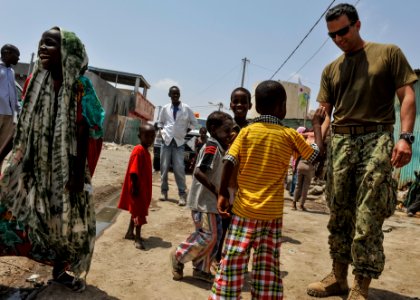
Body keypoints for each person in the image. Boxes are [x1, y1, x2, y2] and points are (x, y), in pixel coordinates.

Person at [306, 3, 417, 299]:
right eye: (332, 35)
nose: (338, 38)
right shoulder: (331, 70)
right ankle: (338, 277)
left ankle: (360, 285)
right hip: (341, 142)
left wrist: (405, 137)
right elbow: (325, 114)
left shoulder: (388, 53)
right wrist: (319, 148)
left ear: (357, 25)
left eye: (342, 31)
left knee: (368, 214)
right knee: (338, 212)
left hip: (376, 138)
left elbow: (407, 94)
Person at [0, 27, 105, 292]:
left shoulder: (81, 85)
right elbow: (24, 123)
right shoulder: (36, 80)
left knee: (67, 220)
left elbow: (85, 130)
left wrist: (77, 175)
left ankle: (60, 270)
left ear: (67, 52)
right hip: (31, 158)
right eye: (42, 43)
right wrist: (3, 156)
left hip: (66, 165)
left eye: (51, 44)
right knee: (7, 200)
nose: (43, 48)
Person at [210, 80, 325, 299]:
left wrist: (223, 193)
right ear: (282, 106)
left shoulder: (246, 133)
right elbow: (317, 156)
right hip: (271, 217)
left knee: (231, 266)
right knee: (267, 272)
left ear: (256, 107)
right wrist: (317, 126)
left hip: (243, 213)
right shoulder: (289, 135)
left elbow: (229, 160)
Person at [170, 111, 233, 283]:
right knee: (208, 236)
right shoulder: (212, 147)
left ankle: (201, 269)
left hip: (212, 204)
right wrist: (218, 192)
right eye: (226, 131)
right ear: (213, 129)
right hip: (203, 203)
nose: (230, 135)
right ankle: (178, 255)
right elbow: (198, 172)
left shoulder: (220, 147)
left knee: (216, 236)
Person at [215, 87, 252, 263]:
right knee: (224, 223)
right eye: (236, 101)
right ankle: (216, 258)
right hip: (228, 183)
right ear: (230, 104)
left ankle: (236, 261)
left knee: (243, 227)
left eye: (243, 101)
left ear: (250, 105)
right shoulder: (225, 127)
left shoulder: (252, 128)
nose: (239, 105)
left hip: (244, 184)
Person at [157, 86, 198, 205]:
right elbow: (160, 122)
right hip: (166, 141)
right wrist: (161, 131)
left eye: (177, 94)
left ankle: (182, 194)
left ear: (179, 94)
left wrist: (185, 132)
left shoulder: (186, 108)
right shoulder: (165, 108)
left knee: (179, 168)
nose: (175, 96)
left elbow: (194, 123)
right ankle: (164, 192)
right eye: (173, 94)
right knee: (164, 167)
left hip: (179, 142)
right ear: (169, 95)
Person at [118, 124, 156, 250]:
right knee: (139, 213)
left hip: (142, 188)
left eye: (152, 136)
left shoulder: (146, 151)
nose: (150, 139)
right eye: (147, 136)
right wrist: (134, 187)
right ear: (140, 136)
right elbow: (134, 172)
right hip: (137, 188)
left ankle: (129, 232)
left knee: (136, 211)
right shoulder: (138, 150)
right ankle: (138, 238)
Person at [0, 44, 20, 174]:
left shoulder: (11, 72)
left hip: (8, 115)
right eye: (16, 55)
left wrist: (17, 109)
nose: (18, 58)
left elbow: (13, 92)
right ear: (6, 53)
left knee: (1, 149)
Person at [293, 127, 316, 211]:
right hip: (309, 167)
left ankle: (293, 203)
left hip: (300, 165)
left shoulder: (304, 143)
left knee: (298, 185)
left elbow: (298, 157)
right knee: (305, 187)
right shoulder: (315, 144)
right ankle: (301, 205)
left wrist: (295, 168)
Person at [289, 126, 306, 197]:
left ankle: (292, 191)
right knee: (296, 179)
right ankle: (293, 192)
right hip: (296, 163)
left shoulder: (297, 140)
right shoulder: (299, 141)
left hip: (296, 162)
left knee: (295, 178)